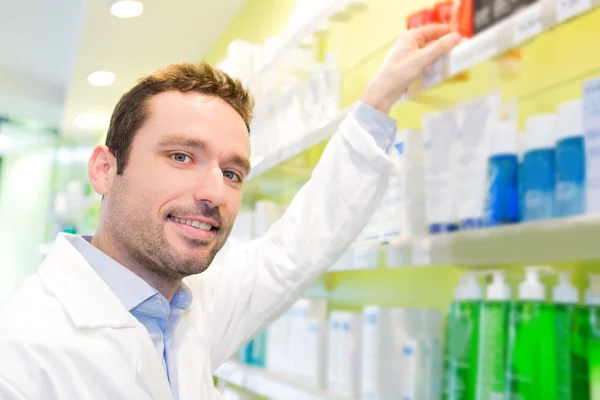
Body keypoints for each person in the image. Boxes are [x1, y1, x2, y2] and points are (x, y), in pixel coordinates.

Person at [0, 25, 460, 399]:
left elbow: (295, 249)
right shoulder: (19, 353)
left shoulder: (188, 311)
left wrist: (377, 102)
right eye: (181, 156)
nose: (214, 191)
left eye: (233, 172)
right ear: (104, 169)